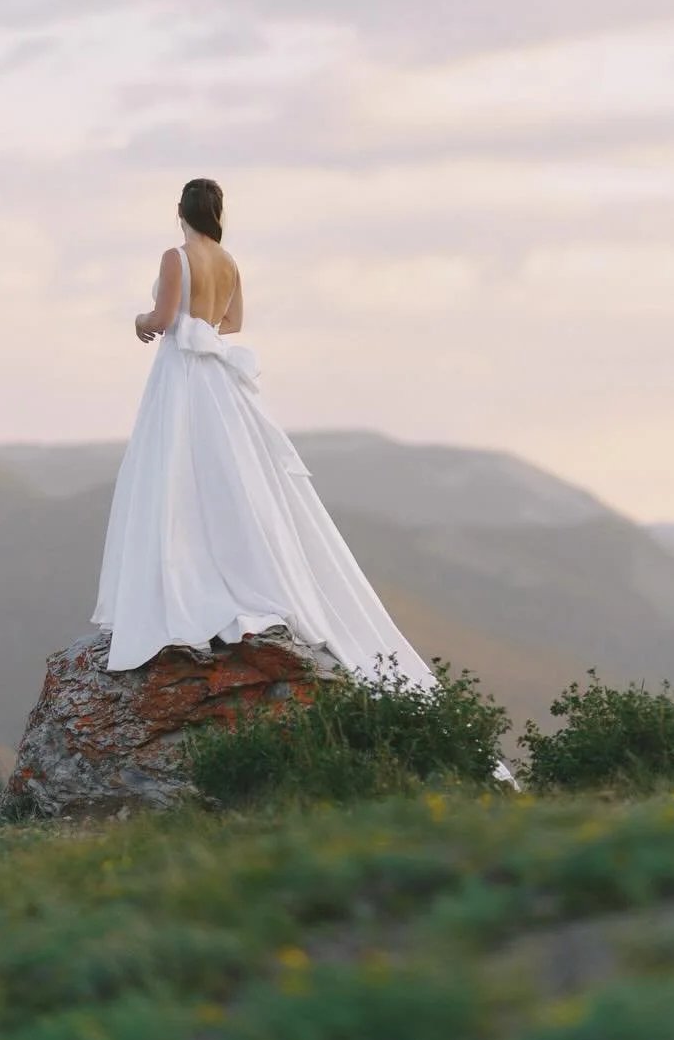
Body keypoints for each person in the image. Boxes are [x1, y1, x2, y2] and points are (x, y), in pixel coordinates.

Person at [92, 176, 442, 686]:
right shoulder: (228, 261)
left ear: (179, 210)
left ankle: (178, 586)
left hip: (181, 374)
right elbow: (232, 322)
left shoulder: (176, 257)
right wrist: (201, 322)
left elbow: (165, 319)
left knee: (172, 473)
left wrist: (140, 319)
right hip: (216, 377)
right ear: (217, 213)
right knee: (227, 473)